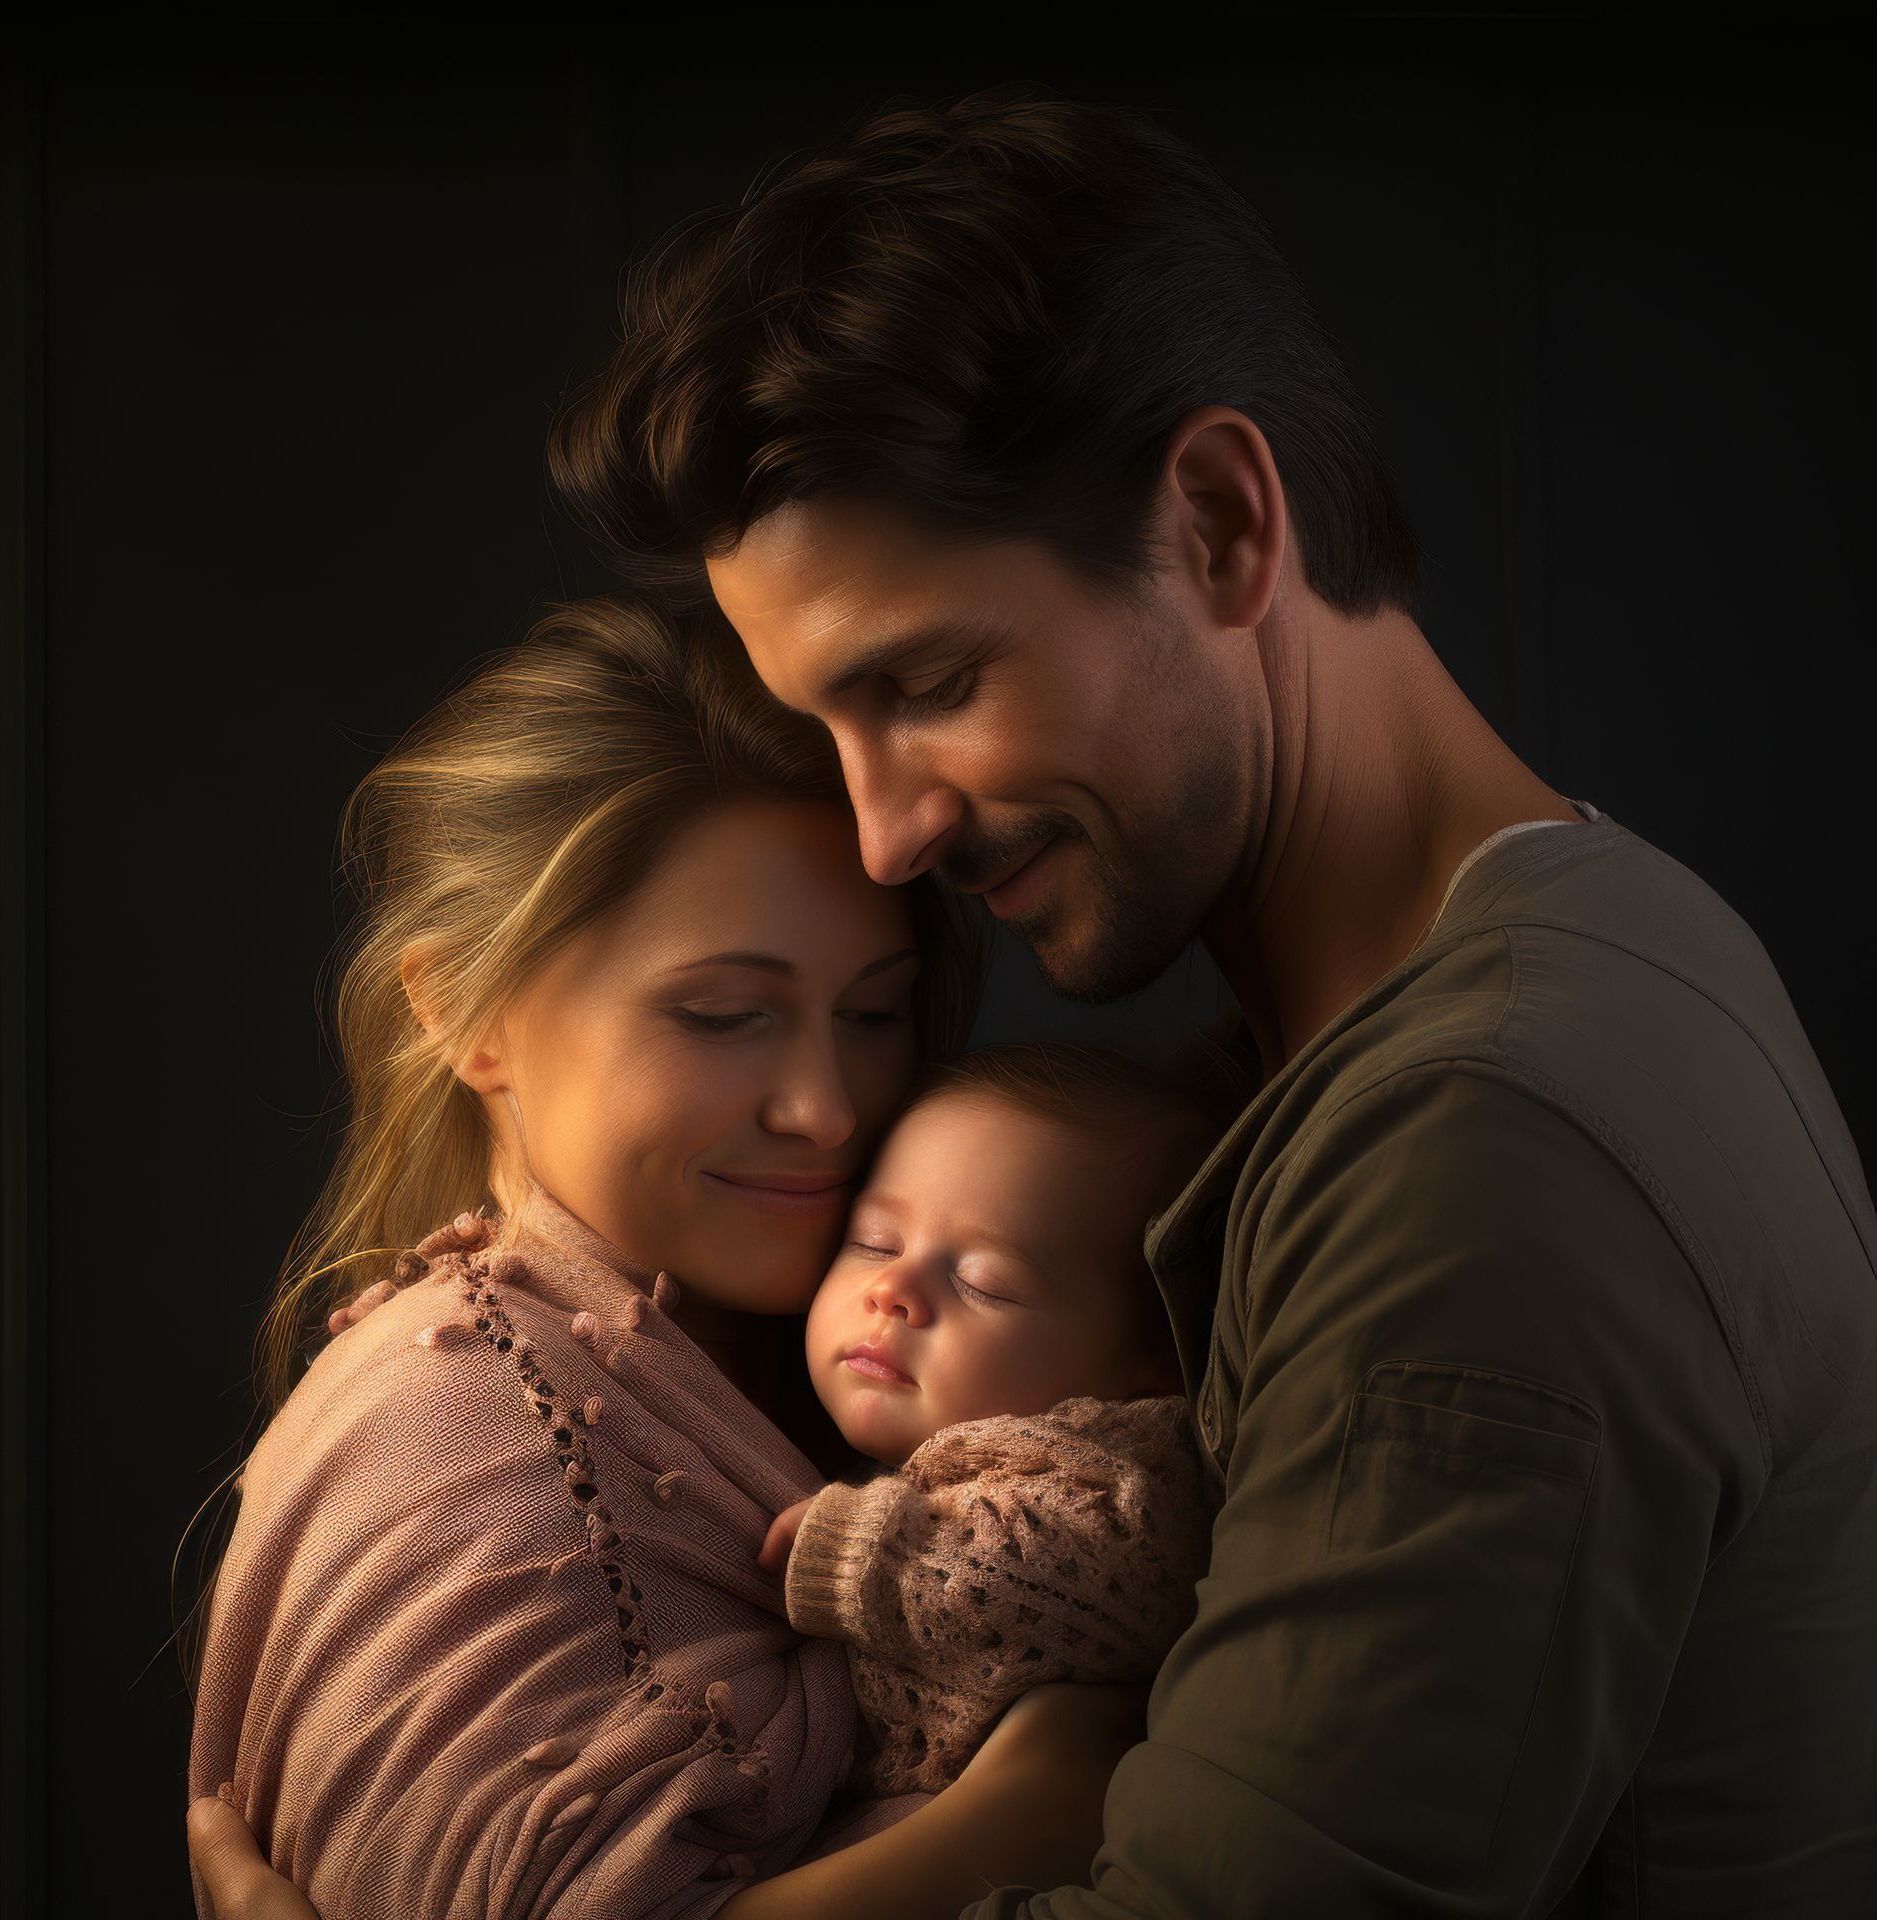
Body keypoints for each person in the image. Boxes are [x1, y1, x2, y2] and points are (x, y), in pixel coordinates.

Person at [195, 84, 1877, 1920]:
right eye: (830, 725)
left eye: (927, 679)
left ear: (1227, 525)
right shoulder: (1566, 958)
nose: (889, 833)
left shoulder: (1486, 1142)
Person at [183, 594, 1163, 1920]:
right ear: (466, 1016)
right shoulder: (463, 1449)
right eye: (723, 1016)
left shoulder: (903, 1385)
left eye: (873, 1013)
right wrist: (1026, 1804)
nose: (827, 1105)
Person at [757, 1041, 1223, 1795]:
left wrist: (871, 1548)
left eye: (985, 1283)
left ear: (1154, 1363)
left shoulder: (1126, 1472)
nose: (892, 1288)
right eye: (874, 1241)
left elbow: (1083, 1573)